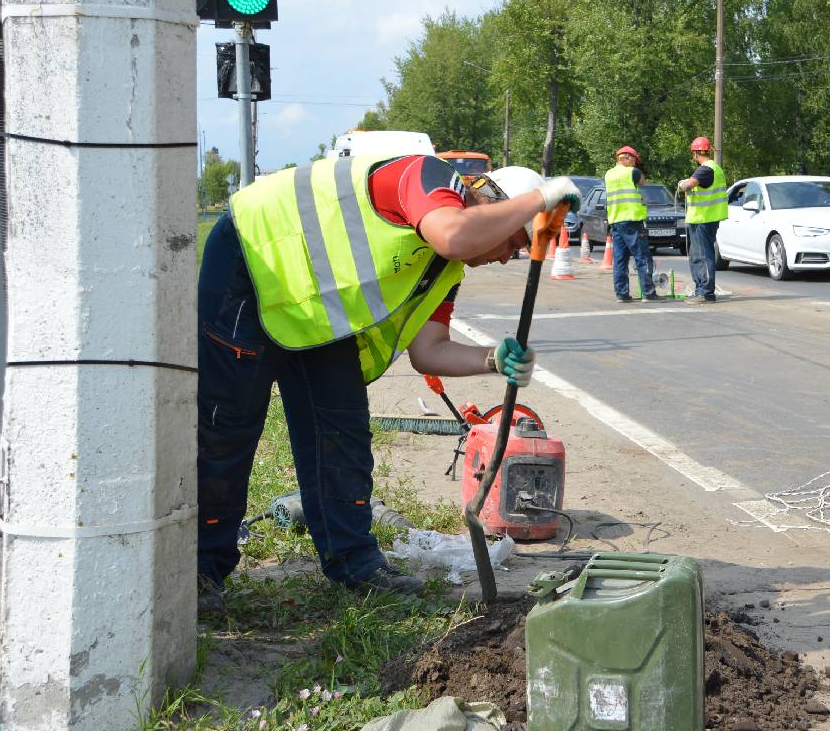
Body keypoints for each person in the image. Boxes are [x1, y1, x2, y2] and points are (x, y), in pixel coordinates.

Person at [196, 153, 579, 614]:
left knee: (342, 429)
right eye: (511, 240)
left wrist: (491, 360)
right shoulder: (428, 176)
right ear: (487, 203)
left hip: (318, 308)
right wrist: (541, 199)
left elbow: (429, 350)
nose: (504, 257)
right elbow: (456, 234)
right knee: (228, 427)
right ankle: (201, 569)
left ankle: (355, 563)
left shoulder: (444, 270)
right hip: (253, 260)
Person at [604, 145, 662, 303]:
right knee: (642, 257)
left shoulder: (608, 174)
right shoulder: (632, 172)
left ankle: (622, 294)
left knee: (620, 260)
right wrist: (638, 171)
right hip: (632, 221)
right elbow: (642, 182)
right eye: (635, 161)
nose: (636, 165)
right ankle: (648, 293)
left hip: (616, 221)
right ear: (628, 158)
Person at [675, 136, 728, 304]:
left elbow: (688, 185)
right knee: (698, 255)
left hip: (703, 219)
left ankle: (705, 292)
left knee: (702, 256)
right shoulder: (714, 168)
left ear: (696, 153)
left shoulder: (705, 170)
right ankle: (702, 290)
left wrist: (682, 183)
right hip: (706, 218)